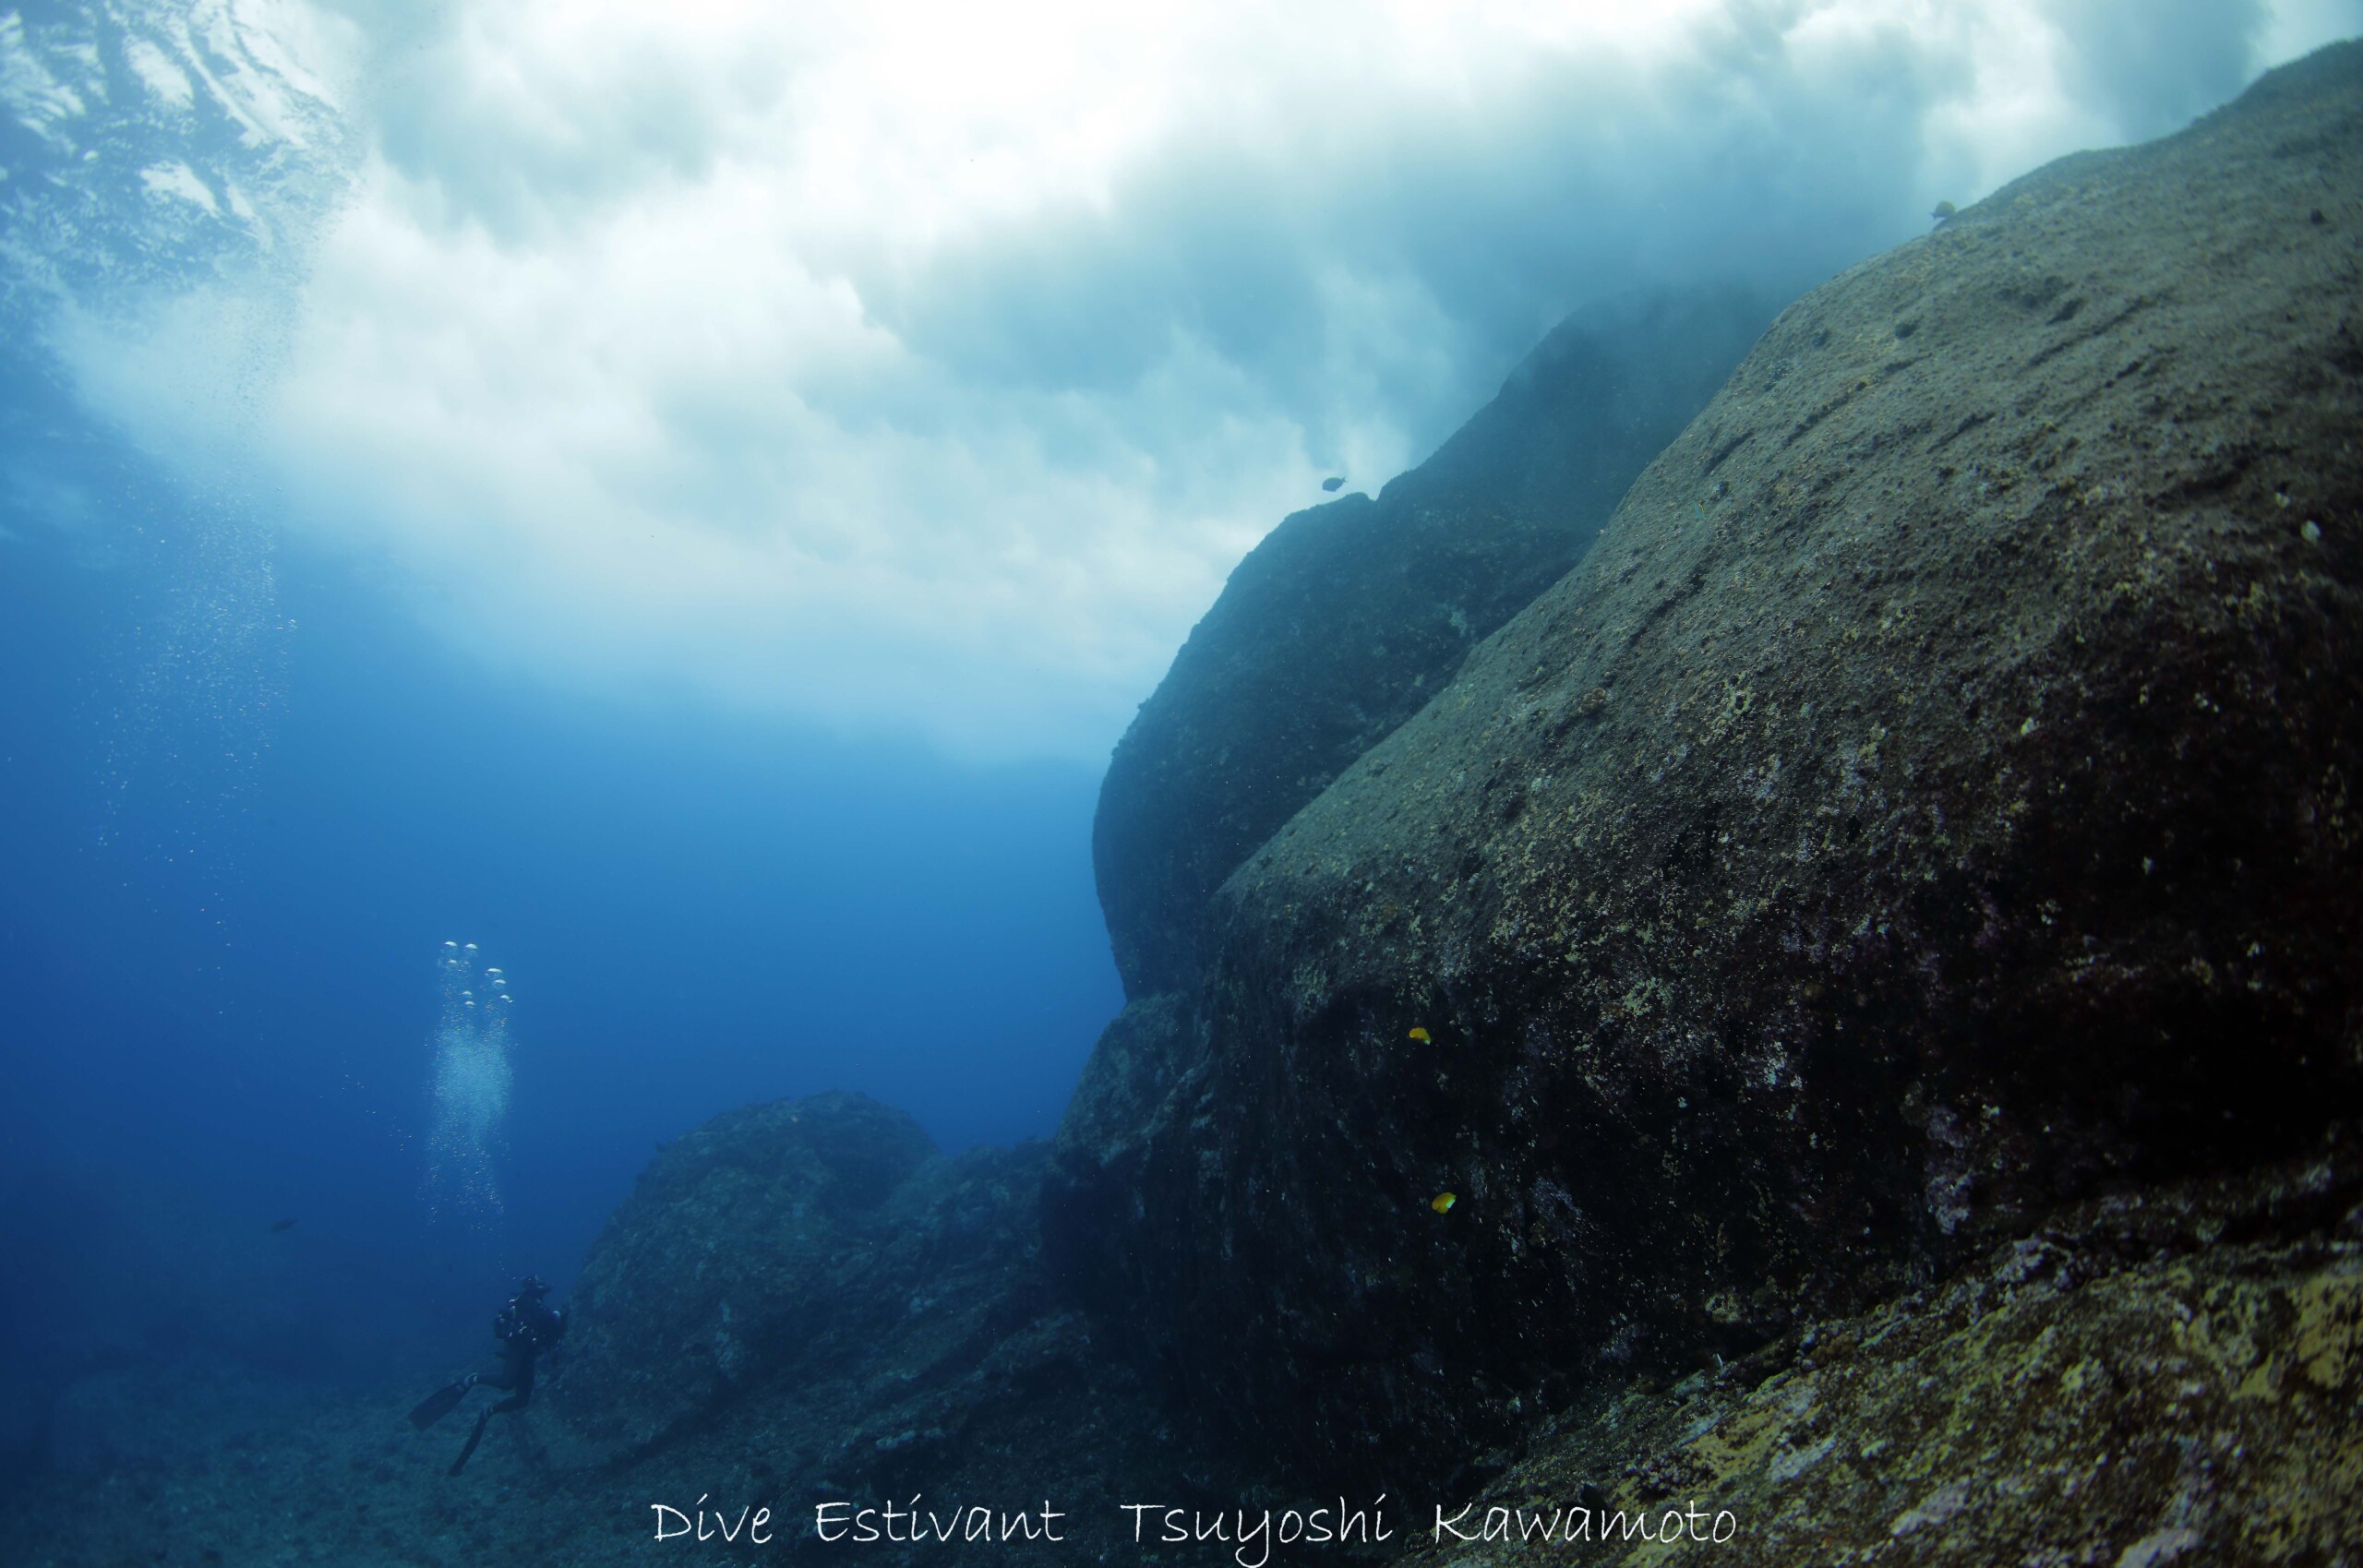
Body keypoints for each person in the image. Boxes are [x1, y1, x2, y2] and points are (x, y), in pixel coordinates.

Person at [408, 1276, 569, 1475]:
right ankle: (473, 1379)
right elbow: (546, 1319)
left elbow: (549, 1330)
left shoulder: (534, 1303)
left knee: (522, 1399)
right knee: (505, 1383)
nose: (543, 1288)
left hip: (528, 1354)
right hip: (517, 1350)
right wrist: (559, 1314)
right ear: (533, 1288)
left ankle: (489, 1411)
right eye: (540, 1285)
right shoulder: (526, 1300)